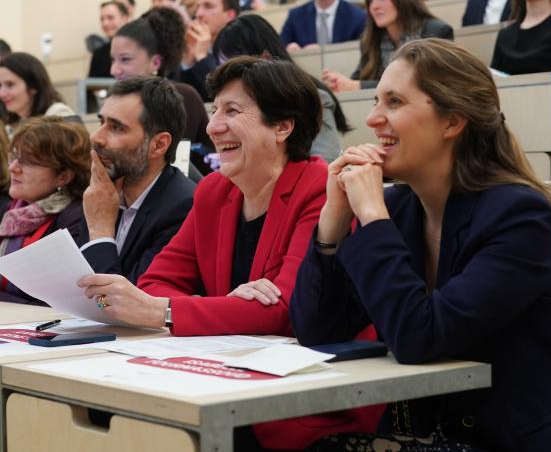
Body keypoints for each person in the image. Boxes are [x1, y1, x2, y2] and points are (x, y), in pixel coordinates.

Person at [78, 57, 381, 450]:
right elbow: (155, 282)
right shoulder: (213, 191)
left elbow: (286, 309)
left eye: (232, 111)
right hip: (229, 382)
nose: (213, 125)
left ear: (283, 127)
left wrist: (165, 311)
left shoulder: (318, 187)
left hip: (307, 402)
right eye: (214, 110)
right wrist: (224, 304)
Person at [291, 38, 551, 452]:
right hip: (421, 432)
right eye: (376, 101)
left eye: (394, 102)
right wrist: (332, 222)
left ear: (452, 122)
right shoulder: (400, 209)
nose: (372, 118)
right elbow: (317, 330)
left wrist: (373, 218)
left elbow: (420, 337)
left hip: (500, 437)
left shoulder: (519, 215)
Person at [80, 77, 196, 285]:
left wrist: (100, 231)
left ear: (159, 145)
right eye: (101, 122)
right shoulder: (101, 192)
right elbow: (75, 287)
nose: (96, 137)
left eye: (116, 128)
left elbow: (117, 306)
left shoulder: (183, 209)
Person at [214, 14, 351, 162]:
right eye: (222, 67)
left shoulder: (312, 99)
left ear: (265, 58)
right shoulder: (222, 109)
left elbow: (325, 163)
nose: (227, 77)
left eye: (235, 68)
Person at [0, 117, 90, 304]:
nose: (13, 168)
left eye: (29, 162)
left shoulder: (75, 219)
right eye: (15, 157)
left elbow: (53, 301)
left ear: (63, 176)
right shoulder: (12, 211)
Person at [110, 6, 213, 166]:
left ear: (155, 62)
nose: (114, 70)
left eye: (125, 59)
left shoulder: (182, 97)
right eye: (113, 60)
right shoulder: (117, 102)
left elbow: (174, 168)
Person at [322, 0, 453, 92]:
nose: (374, 6)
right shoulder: (369, 39)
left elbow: (424, 84)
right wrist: (336, 83)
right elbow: (358, 78)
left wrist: (357, 86)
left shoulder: (437, 31)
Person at [180, 0, 240, 102]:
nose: (198, 14)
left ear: (230, 15)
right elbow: (184, 99)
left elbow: (226, 95)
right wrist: (187, 62)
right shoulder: (195, 43)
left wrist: (202, 57)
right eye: (198, 7)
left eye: (208, 6)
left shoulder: (242, 45)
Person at [0, 52, 76, 136]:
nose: (2, 93)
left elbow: (79, 147)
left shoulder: (60, 113)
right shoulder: (11, 126)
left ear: (33, 86)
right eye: (0, 86)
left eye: (10, 84)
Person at [88, 0, 129, 78]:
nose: (105, 23)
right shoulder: (99, 54)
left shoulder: (140, 48)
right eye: (102, 19)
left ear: (125, 18)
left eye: (110, 18)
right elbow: (90, 86)